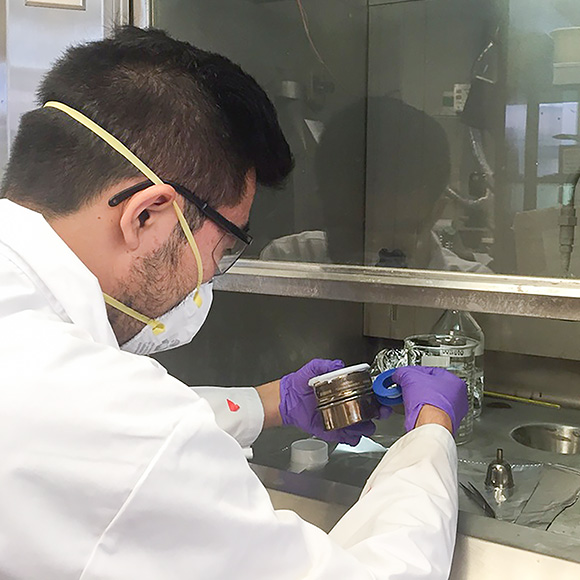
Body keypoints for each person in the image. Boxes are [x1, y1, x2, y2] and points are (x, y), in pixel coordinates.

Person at [0, 27, 468, 579]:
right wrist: (432, 432)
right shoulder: (113, 424)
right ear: (145, 215)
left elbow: (93, 434)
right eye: (222, 252)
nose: (208, 283)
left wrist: (273, 402)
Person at [261, 96, 493, 273]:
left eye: (396, 230)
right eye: (353, 229)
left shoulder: (472, 292)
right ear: (322, 203)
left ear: (436, 212)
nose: (371, 253)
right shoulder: (287, 265)